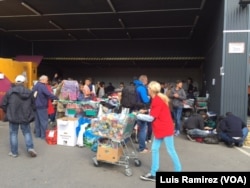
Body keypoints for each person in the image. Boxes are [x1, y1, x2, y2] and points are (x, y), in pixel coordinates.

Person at [137, 81, 182, 182]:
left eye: (148, 88)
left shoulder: (157, 100)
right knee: (155, 149)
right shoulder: (158, 98)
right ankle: (153, 173)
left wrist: (138, 115)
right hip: (162, 128)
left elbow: (151, 118)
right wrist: (145, 112)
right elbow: (155, 112)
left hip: (164, 128)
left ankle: (177, 171)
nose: (147, 89)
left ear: (152, 90)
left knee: (170, 150)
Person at [1, 75, 37, 158]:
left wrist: (9, 111)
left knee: (13, 133)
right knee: (27, 132)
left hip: (13, 116)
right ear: (24, 83)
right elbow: (33, 105)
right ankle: (30, 148)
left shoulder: (10, 92)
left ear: (16, 82)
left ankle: (14, 152)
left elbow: (3, 104)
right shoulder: (29, 92)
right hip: (25, 116)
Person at [32, 75, 58, 139]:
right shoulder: (42, 86)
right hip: (42, 106)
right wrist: (56, 98)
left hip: (35, 106)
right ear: (43, 80)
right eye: (46, 80)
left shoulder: (36, 85)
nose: (47, 81)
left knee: (37, 121)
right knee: (44, 121)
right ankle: (43, 136)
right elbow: (48, 94)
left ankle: (38, 135)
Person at [133, 75, 151, 153]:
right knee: (143, 129)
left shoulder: (134, 86)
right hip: (141, 110)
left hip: (133, 109)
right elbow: (145, 100)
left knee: (129, 128)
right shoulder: (142, 88)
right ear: (145, 81)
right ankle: (142, 148)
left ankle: (121, 144)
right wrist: (149, 98)